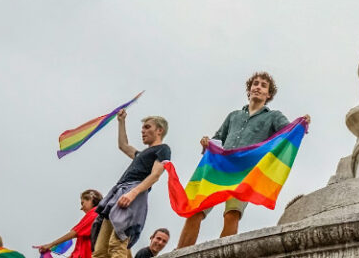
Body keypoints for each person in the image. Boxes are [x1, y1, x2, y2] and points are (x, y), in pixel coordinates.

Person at [176, 72, 310, 248]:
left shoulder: (274, 116)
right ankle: (180, 253)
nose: (258, 87)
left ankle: (221, 253)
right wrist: (206, 142)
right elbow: (218, 139)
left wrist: (301, 124)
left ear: (268, 94)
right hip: (220, 167)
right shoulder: (233, 116)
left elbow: (288, 132)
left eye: (263, 85)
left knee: (232, 213)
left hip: (246, 171)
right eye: (255, 83)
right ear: (249, 90)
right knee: (196, 210)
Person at [92, 111, 170, 258]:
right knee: (100, 250)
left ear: (160, 130)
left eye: (147, 127)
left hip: (132, 193)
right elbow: (123, 145)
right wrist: (121, 121)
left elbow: (155, 175)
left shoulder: (163, 149)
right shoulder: (140, 154)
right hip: (118, 193)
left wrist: (133, 193)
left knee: (117, 243)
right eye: (143, 128)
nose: (143, 131)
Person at [33, 189, 102, 258]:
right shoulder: (95, 216)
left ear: (91, 199)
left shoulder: (94, 214)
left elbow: (74, 233)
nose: (81, 208)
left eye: (82, 203)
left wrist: (50, 245)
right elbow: (78, 251)